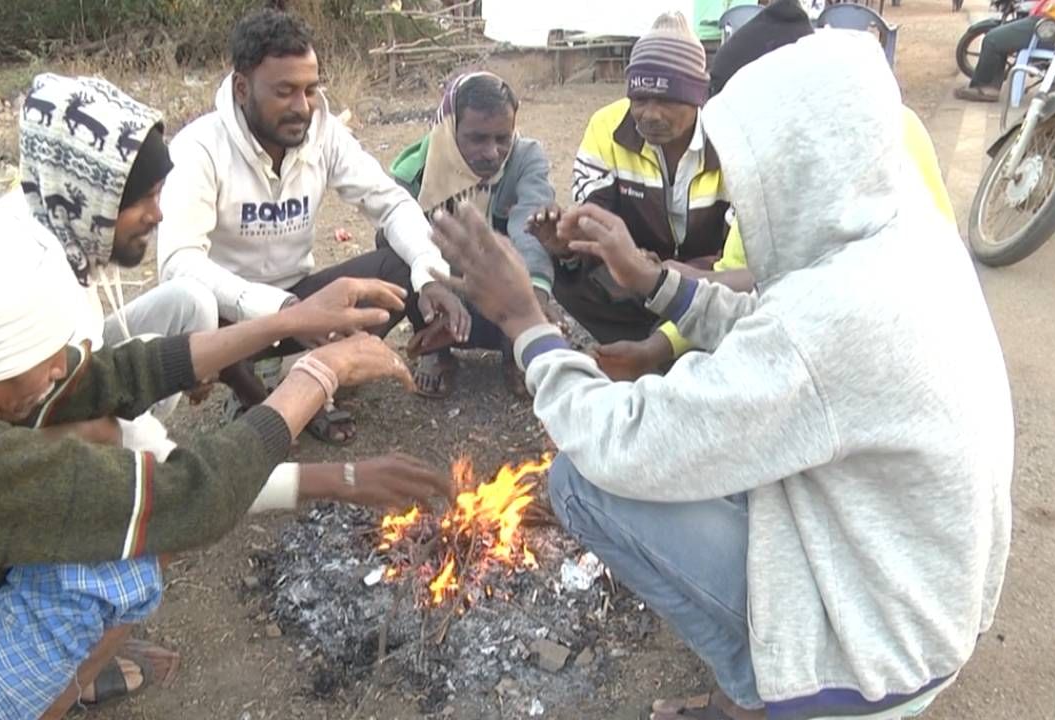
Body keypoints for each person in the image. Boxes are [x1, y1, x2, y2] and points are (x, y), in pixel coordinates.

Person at [430, 30, 1012, 720]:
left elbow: (623, 444)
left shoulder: (834, 318)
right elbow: (772, 318)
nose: (739, 183)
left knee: (580, 481)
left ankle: (764, 693)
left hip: (878, 658)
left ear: (799, 157)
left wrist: (526, 322)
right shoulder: (908, 240)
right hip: (932, 600)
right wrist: (652, 280)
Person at [0, 206, 449, 719]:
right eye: (46, 356)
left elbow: (108, 373)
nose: (62, 366)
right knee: (119, 565)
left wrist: (289, 319)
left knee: (94, 430)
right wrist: (317, 373)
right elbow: (191, 500)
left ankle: (57, 677)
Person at [594, 0, 959, 380]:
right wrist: (654, 345)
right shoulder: (860, 125)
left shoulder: (846, 159)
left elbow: (782, 300)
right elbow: (744, 278)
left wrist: (667, 281)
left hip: (895, 367)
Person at [157, 9, 469, 443]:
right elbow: (177, 261)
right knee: (192, 299)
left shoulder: (323, 134)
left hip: (305, 305)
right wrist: (285, 312)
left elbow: (391, 202)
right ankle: (255, 398)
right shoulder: (200, 147)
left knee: (399, 263)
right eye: (284, 92)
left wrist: (428, 273)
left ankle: (312, 379)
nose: (302, 107)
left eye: (310, 89)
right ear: (243, 88)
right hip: (231, 325)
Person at [529, 12, 729, 347]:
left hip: (708, 284)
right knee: (561, 263)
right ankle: (653, 344)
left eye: (666, 99)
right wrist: (568, 245)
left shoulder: (730, 136)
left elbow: (742, 252)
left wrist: (665, 275)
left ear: (698, 97)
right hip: (632, 275)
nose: (650, 114)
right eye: (639, 99)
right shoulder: (606, 126)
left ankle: (663, 345)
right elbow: (597, 217)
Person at [385, 70, 558, 398]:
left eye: (502, 138)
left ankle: (516, 350)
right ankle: (437, 349)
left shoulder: (525, 158)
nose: (493, 152)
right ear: (451, 128)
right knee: (396, 252)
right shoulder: (413, 173)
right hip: (444, 289)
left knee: (548, 235)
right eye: (478, 138)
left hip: (502, 292)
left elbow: (530, 224)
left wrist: (534, 301)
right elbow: (398, 240)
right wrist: (429, 284)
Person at [955, 16, 1040, 102]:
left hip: (1045, 26)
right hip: (1044, 24)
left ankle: (986, 87)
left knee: (992, 39)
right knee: (1002, 33)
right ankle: (991, 86)